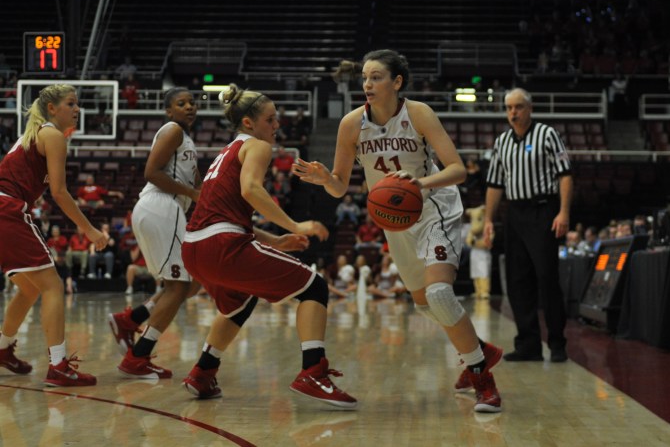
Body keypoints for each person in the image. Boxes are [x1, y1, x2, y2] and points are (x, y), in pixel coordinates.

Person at [293, 49, 501, 413]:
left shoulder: (418, 113)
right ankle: (479, 350)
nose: (367, 84)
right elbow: (341, 186)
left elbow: (457, 170)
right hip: (395, 219)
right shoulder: (351, 124)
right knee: (423, 305)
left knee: (439, 294)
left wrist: (418, 183)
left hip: (434, 204)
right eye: (365, 78)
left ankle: (483, 378)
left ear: (397, 82)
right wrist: (327, 178)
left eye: (376, 77)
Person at [180, 84, 356, 409]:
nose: (277, 126)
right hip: (222, 244)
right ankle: (313, 372)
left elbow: (225, 214)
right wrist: (295, 225)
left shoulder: (226, 152)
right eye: (270, 119)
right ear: (249, 123)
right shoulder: (258, 147)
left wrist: (275, 241)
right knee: (314, 287)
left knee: (240, 302)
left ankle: (203, 371)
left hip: (194, 247)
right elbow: (250, 190)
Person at [0, 84, 106, 386]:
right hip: (7, 209)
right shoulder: (52, 135)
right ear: (52, 108)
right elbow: (59, 192)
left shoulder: (34, 136)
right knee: (53, 287)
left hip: (3, 209)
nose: (77, 109)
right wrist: (90, 230)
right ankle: (58, 365)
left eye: (78, 103)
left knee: (31, 288)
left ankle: (3, 349)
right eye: (71, 103)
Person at [107, 87, 202, 378]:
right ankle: (138, 356)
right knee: (179, 286)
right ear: (169, 111)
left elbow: (197, 186)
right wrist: (193, 194)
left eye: (192, 102)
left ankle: (131, 319)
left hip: (164, 210)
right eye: (181, 103)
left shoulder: (185, 139)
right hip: (162, 206)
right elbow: (151, 172)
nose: (189, 107)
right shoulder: (173, 130)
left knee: (195, 281)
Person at [483, 87, 572, 364]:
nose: (513, 112)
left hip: (543, 210)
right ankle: (528, 345)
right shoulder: (501, 142)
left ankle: (557, 343)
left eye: (518, 107)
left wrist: (563, 212)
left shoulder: (547, 134)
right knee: (517, 281)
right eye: (509, 108)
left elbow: (565, 174)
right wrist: (488, 219)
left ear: (529, 109)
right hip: (515, 213)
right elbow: (495, 184)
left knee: (546, 278)